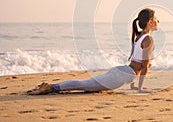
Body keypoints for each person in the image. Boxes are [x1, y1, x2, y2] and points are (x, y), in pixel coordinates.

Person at [28, 8, 159, 94]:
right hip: (121, 76)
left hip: (122, 72)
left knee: (87, 85)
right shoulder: (148, 40)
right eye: (156, 19)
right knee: (85, 85)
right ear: (150, 22)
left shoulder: (140, 35)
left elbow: (137, 63)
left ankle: (51, 86)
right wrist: (140, 88)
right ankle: (51, 87)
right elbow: (144, 67)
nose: (158, 21)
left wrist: (132, 85)